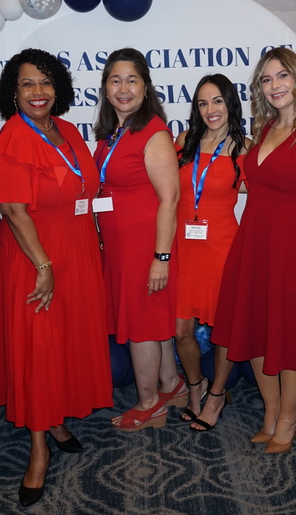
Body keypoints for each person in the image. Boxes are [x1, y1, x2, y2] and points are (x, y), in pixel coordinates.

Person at [0, 49, 113, 508]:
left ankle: (55, 419)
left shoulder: (68, 131)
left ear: (57, 87)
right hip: (35, 259)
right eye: (27, 84)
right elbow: (13, 211)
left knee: (65, 343)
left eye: (45, 82)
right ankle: (38, 450)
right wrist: (44, 266)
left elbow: (85, 190)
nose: (37, 92)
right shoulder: (13, 139)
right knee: (39, 349)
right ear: (13, 92)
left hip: (76, 253)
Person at [211, 47, 296, 454]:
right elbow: (253, 182)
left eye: (282, 76)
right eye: (266, 80)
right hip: (254, 243)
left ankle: (289, 415)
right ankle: (270, 411)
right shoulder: (265, 129)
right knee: (254, 328)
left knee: (292, 335)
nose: (274, 85)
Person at [93, 48, 183, 432]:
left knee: (142, 326)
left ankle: (149, 405)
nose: (123, 88)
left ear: (146, 87)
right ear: (105, 88)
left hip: (146, 247)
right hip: (121, 247)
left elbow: (170, 199)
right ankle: (172, 385)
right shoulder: (112, 132)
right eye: (116, 80)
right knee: (152, 321)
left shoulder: (153, 132)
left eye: (132, 80)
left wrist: (160, 258)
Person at [172, 74, 251, 431]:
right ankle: (195, 388)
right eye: (202, 103)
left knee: (223, 332)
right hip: (183, 250)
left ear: (230, 103)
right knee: (181, 331)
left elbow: (262, 197)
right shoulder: (184, 141)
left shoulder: (244, 148)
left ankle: (216, 395)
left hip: (221, 251)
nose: (210, 110)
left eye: (217, 101)